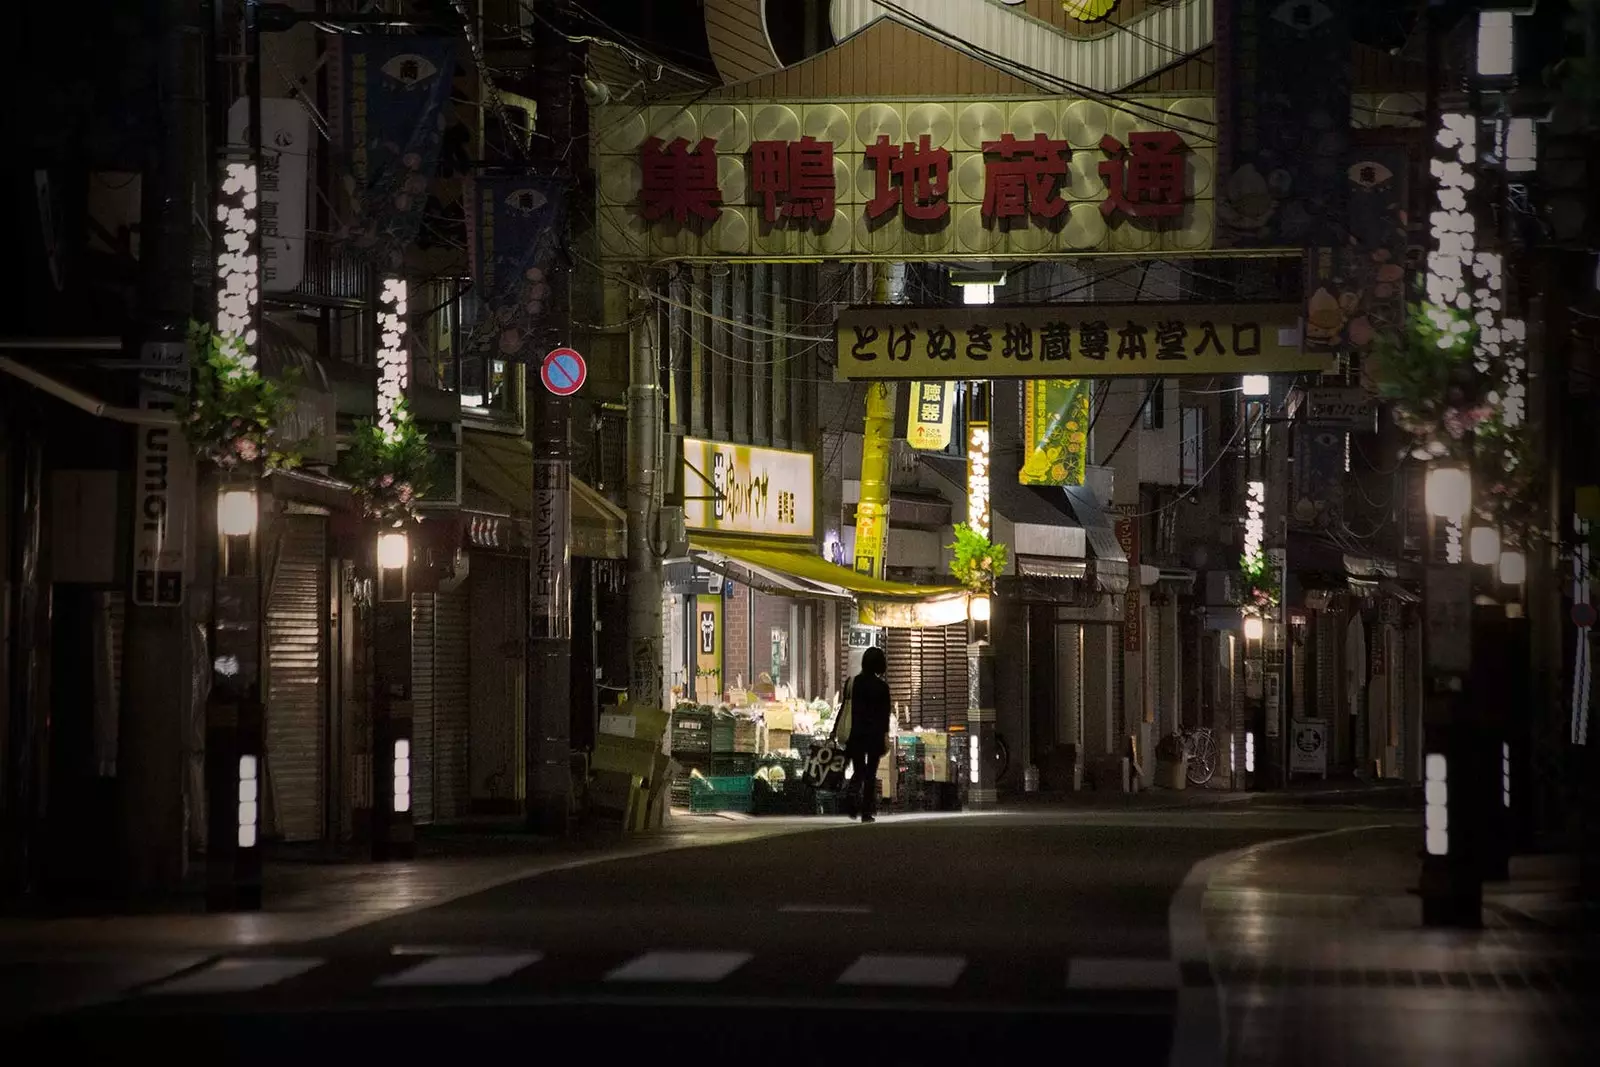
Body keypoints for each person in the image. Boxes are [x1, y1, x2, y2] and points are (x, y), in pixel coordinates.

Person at [844, 647, 892, 822]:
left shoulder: (853, 683)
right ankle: (866, 812)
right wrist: (885, 736)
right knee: (870, 773)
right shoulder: (882, 688)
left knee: (858, 770)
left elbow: (845, 708)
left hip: (856, 733)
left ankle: (851, 796)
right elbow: (885, 715)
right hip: (874, 735)